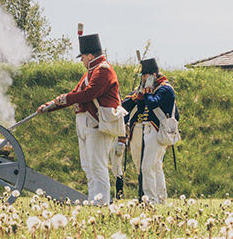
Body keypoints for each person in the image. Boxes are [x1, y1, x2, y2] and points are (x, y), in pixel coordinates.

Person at [36, 33, 121, 205]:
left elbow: (89, 93)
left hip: (96, 123)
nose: (81, 60)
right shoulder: (90, 72)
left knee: (97, 167)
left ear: (90, 55)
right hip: (86, 123)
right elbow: (75, 95)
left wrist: (64, 99)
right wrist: (51, 105)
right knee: (88, 167)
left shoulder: (103, 70)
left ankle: (102, 203)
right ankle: (93, 200)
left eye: (82, 56)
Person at [121, 58, 177, 204]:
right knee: (156, 167)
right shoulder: (152, 89)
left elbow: (152, 104)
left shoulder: (165, 88)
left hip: (157, 130)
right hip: (149, 130)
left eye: (145, 76)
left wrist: (147, 91)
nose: (144, 79)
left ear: (152, 75)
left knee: (147, 167)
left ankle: (151, 200)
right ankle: (160, 198)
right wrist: (141, 94)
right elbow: (141, 109)